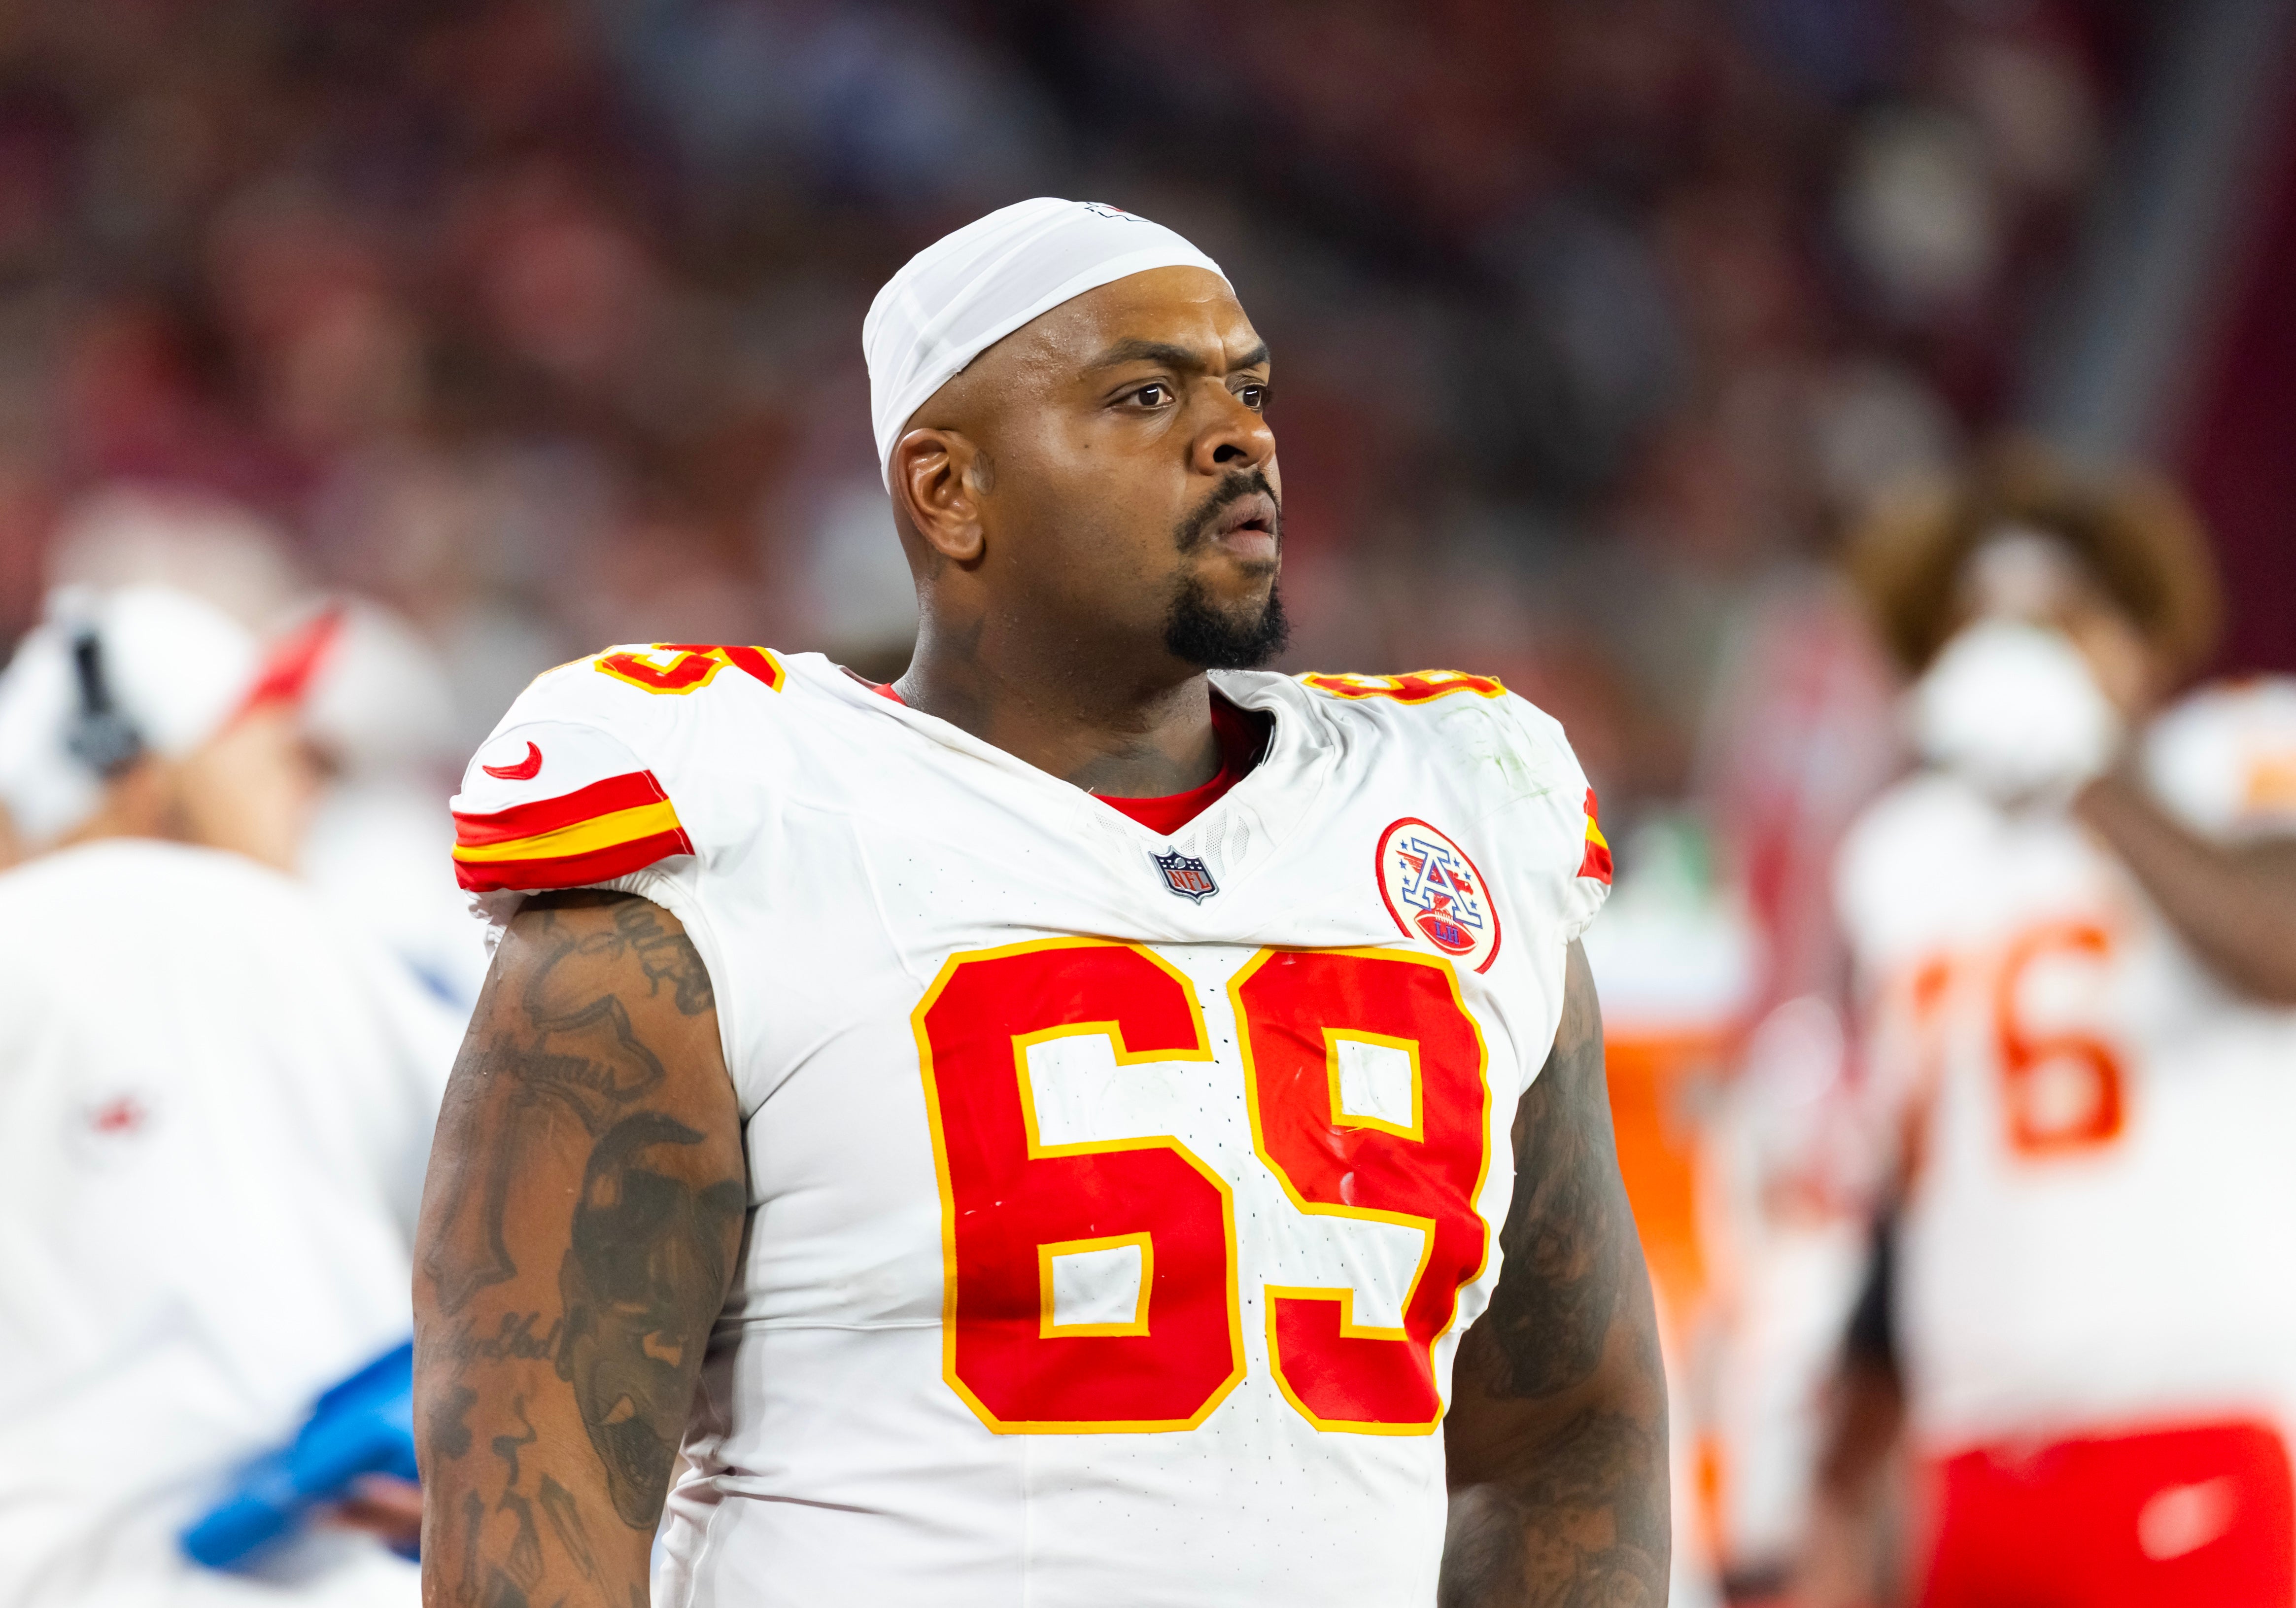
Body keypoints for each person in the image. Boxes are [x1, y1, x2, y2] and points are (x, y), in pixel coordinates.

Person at [415, 198, 1670, 1606]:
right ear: (948, 489)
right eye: (1145, 395)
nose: (1238, 437)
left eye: (1248, 390)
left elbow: (1560, 1426)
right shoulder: (736, 827)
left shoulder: (1454, 811)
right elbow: (539, 1466)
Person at [1799, 446, 2296, 1607]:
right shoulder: (1902, 857)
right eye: (1985, 624)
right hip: (1966, 1458)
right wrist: (1837, 1469)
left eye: (2058, 618)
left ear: (2135, 634)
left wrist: (2092, 774)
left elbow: (2279, 942)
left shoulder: (2223, 757)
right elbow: (1915, 1190)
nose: (2017, 654)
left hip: (2183, 1417)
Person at [0, 583, 458, 1606]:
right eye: (263, 745)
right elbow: (571, 1218)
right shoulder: (288, 936)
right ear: (144, 771)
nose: (301, 782)